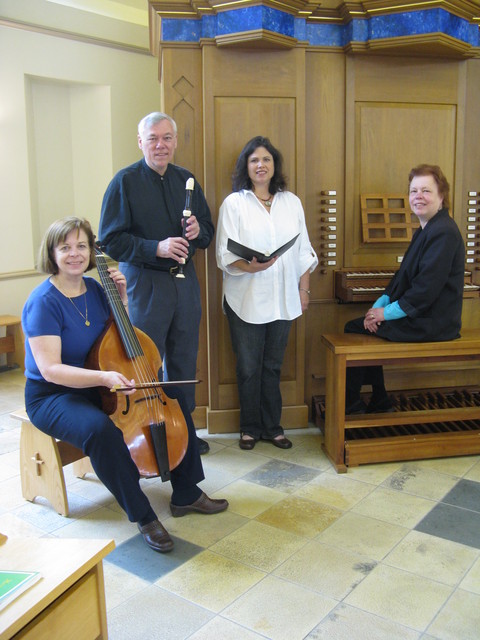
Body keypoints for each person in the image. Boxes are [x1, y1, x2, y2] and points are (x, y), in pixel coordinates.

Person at [22, 217, 228, 554]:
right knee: (99, 430)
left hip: (96, 382)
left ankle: (187, 492)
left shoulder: (95, 289)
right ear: (52, 253)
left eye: (82, 246)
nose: (75, 254)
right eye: (66, 247)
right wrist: (105, 379)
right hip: (53, 394)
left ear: (90, 251)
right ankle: (144, 515)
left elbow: (115, 342)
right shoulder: (43, 301)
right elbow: (51, 370)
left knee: (173, 395)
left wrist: (122, 300)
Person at [98, 112, 214, 454]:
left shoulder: (187, 180)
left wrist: (198, 232)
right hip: (145, 284)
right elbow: (110, 241)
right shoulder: (124, 182)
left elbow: (206, 231)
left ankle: (184, 433)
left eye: (166, 138)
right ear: (140, 142)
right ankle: (147, 436)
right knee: (145, 362)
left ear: (175, 141)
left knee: (183, 359)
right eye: (152, 138)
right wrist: (156, 247)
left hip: (184, 285)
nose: (160, 145)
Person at [216, 136, 318, 450]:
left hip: (283, 297)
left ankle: (273, 427)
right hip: (245, 296)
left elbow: (302, 250)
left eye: (266, 160)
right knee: (248, 367)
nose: (261, 165)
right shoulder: (235, 203)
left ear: (274, 166)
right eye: (254, 160)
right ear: (246, 167)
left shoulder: (292, 202)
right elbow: (224, 252)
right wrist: (251, 267)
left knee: (273, 366)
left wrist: (304, 289)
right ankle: (249, 428)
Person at [344, 164, 465, 414]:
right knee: (365, 325)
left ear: (442, 196)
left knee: (355, 329)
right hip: (425, 316)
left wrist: (385, 314)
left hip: (433, 321)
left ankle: (354, 404)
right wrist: (381, 303)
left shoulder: (443, 232)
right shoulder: (427, 229)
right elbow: (403, 277)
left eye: (426, 191)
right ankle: (378, 399)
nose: (418, 196)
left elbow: (424, 291)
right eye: (413, 191)